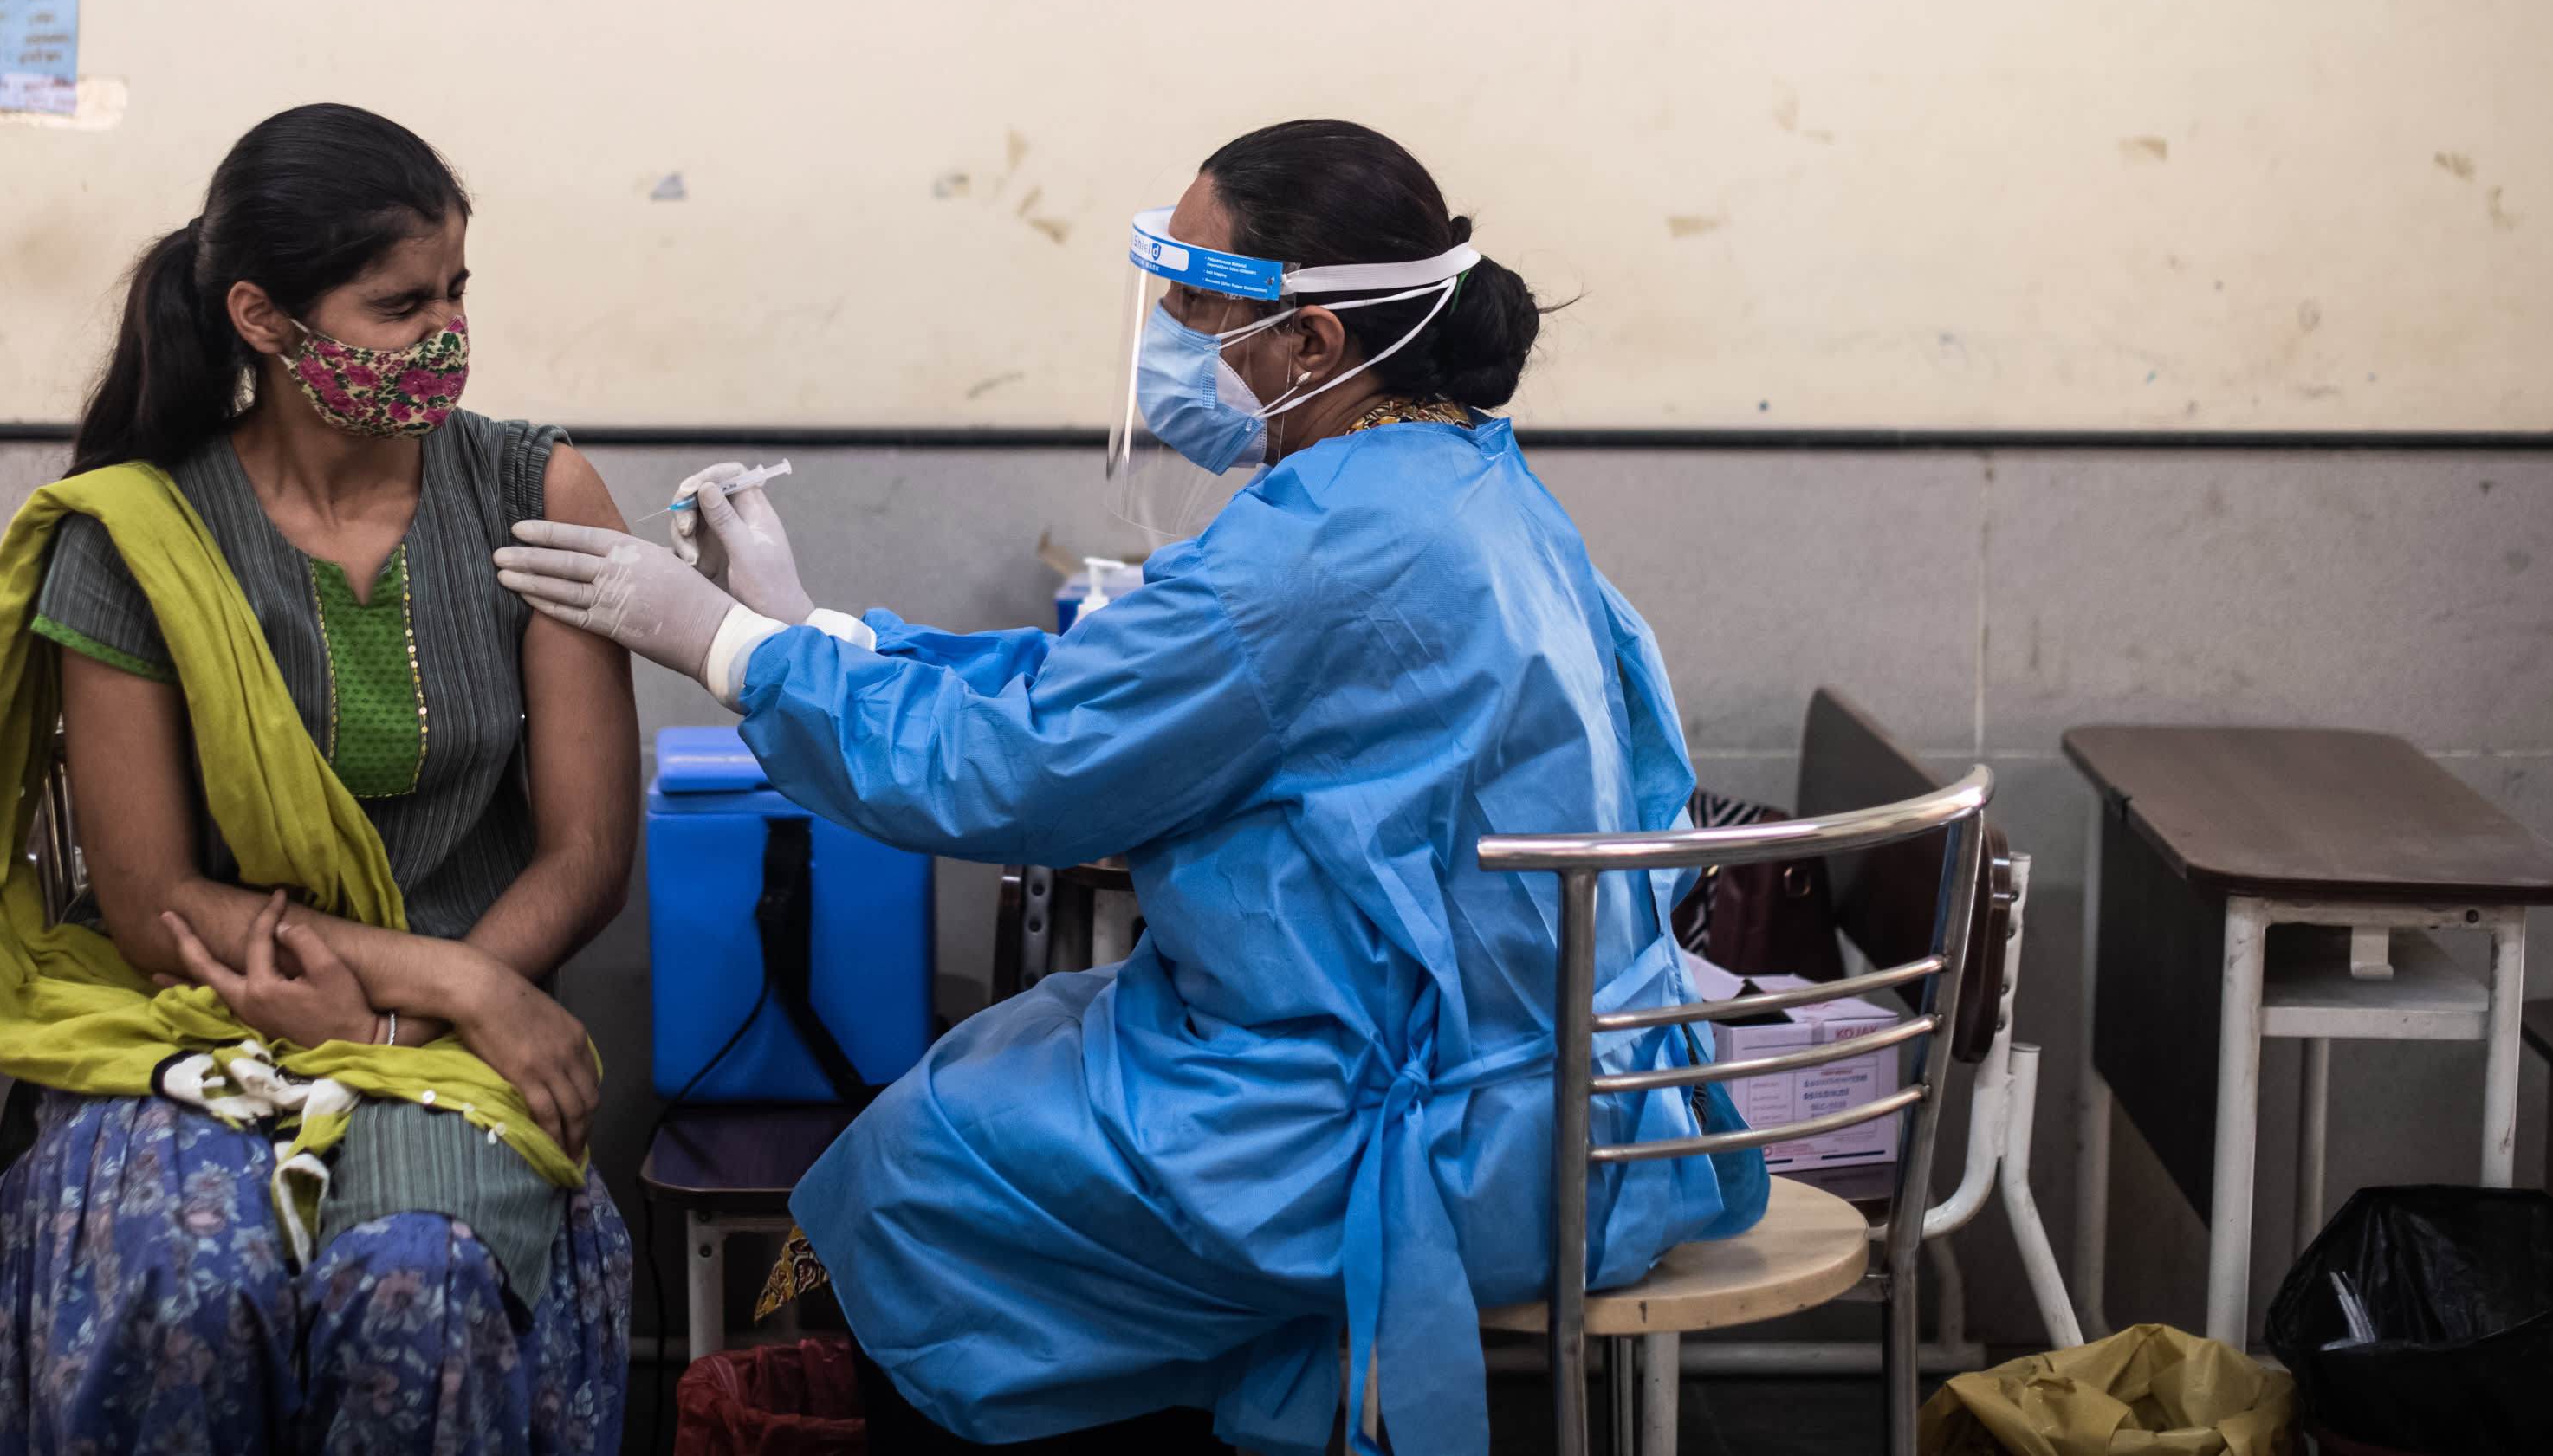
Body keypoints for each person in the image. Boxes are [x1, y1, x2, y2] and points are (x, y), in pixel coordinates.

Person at [495, 119, 1758, 1456]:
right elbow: (1101, 690)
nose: (1171, 331)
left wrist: (731, 650)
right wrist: (824, 637)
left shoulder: (1319, 547)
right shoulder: (1466, 485)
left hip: (1425, 1134)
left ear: (1312, 341)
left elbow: (1023, 766)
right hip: (1578, 1094)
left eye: (1200, 303)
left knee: (922, 1174)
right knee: (1002, 1057)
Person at [0, 104, 638, 1456]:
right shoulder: (142, 532)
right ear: (263, 318)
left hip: (464, 1030)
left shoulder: (538, 492)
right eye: (401, 305)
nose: (447, 332)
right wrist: (447, 985)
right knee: (178, 1288)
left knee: (419, 1287)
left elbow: (584, 853)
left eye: (457, 290)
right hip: (204, 1006)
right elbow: (151, 898)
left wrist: (408, 1024)